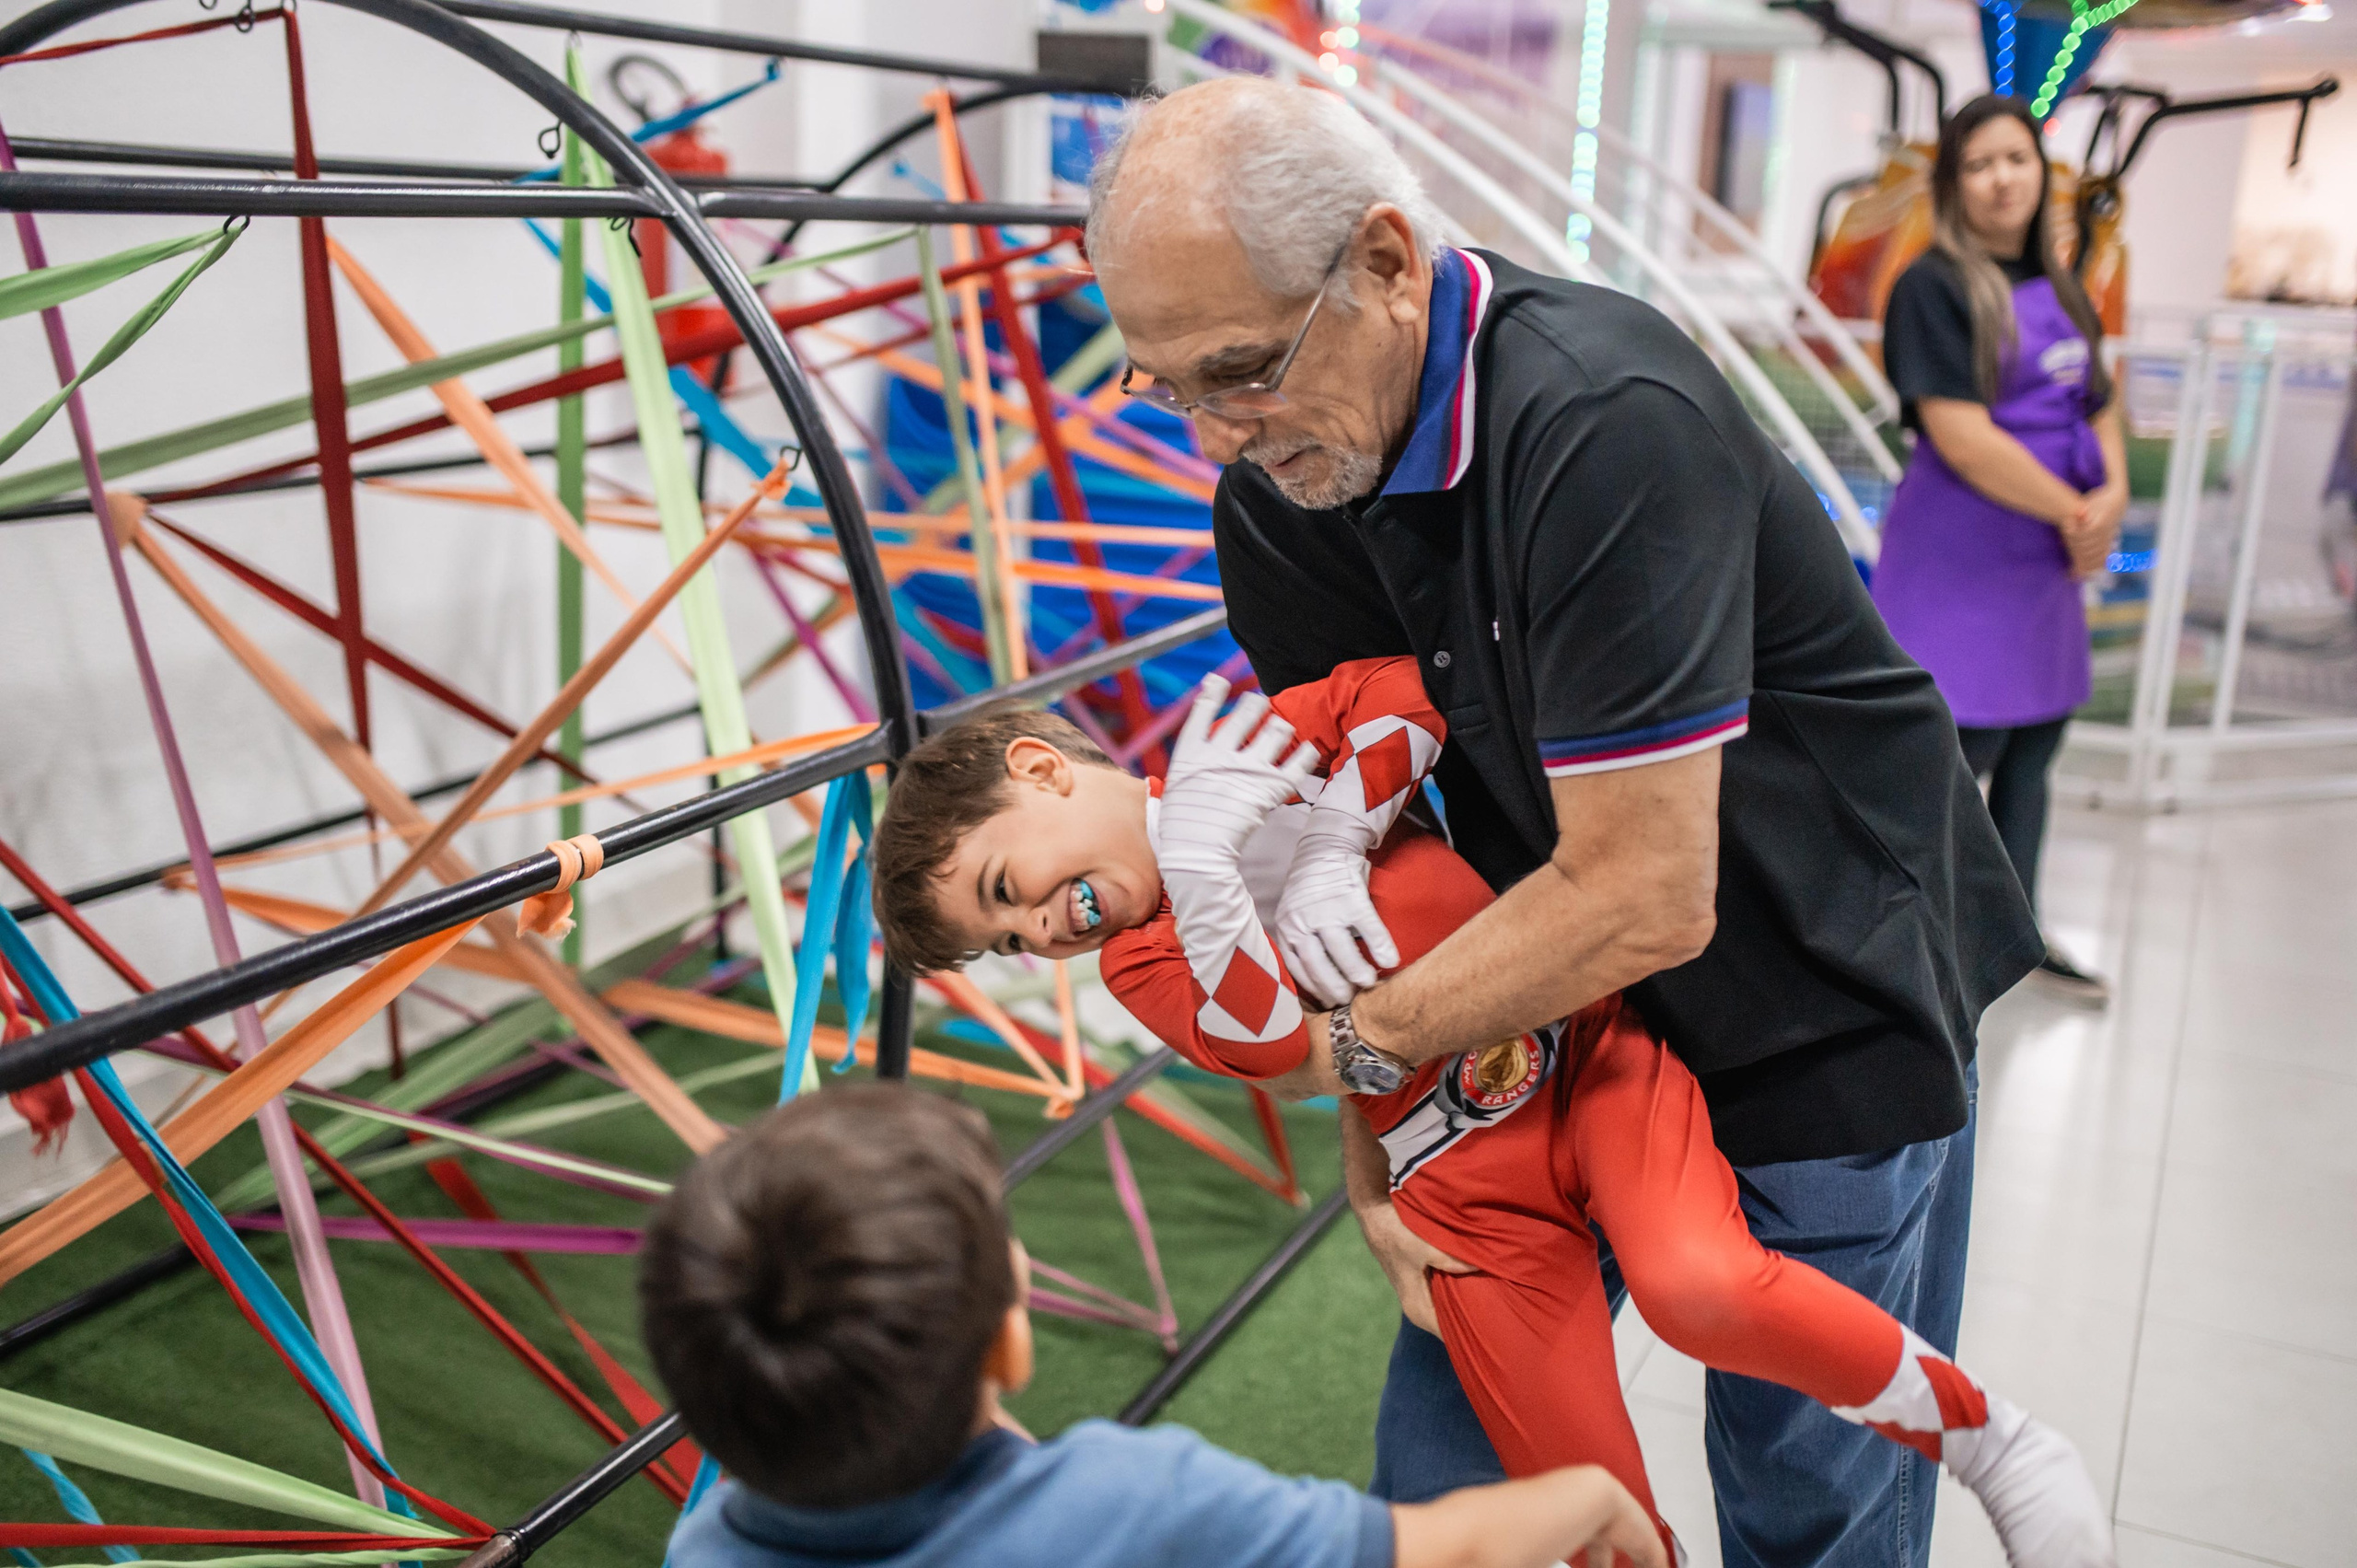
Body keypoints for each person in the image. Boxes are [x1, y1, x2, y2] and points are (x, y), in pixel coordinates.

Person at [1080, 76, 2047, 1568]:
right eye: (1167, 387)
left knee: (1807, 1483)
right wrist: (1377, 1139)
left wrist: (1357, 1053)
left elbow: (1648, 891)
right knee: (1458, 1458)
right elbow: (1361, 853)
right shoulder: (1282, 485)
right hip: (1536, 1011)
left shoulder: (1601, 420)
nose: (1218, 431)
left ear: (1388, 265)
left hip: (1818, 973)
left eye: (1242, 368)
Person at [869, 671, 2114, 1568]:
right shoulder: (1143, 958)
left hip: (1594, 1056)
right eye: (1008, 940)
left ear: (1039, 772)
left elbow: (1404, 696)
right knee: (1588, 1506)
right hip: (1461, 1187)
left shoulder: (1241, 734)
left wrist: (1334, 832)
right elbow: (1264, 1044)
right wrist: (1202, 873)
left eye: (1004, 890)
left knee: (1698, 1280)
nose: (1039, 930)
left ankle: (1995, 1443)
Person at [640, 1085, 1666, 1568]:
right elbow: (1457, 1548)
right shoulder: (1132, 1501)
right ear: (1008, 1339)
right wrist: (1588, 1493)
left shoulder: (705, 1544)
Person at [1870, 94, 2130, 1006]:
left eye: (2015, 158)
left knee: (2034, 747)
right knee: (1952, 762)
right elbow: (1960, 433)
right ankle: (1913, 952)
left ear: (2040, 170)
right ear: (1952, 184)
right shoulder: (1931, 287)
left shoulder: (2060, 285)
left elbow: (2097, 401)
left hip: (2044, 568)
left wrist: (2115, 492)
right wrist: (2075, 510)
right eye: (1978, 163)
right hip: (1963, 566)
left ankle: (2014, 938)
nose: (2000, 177)